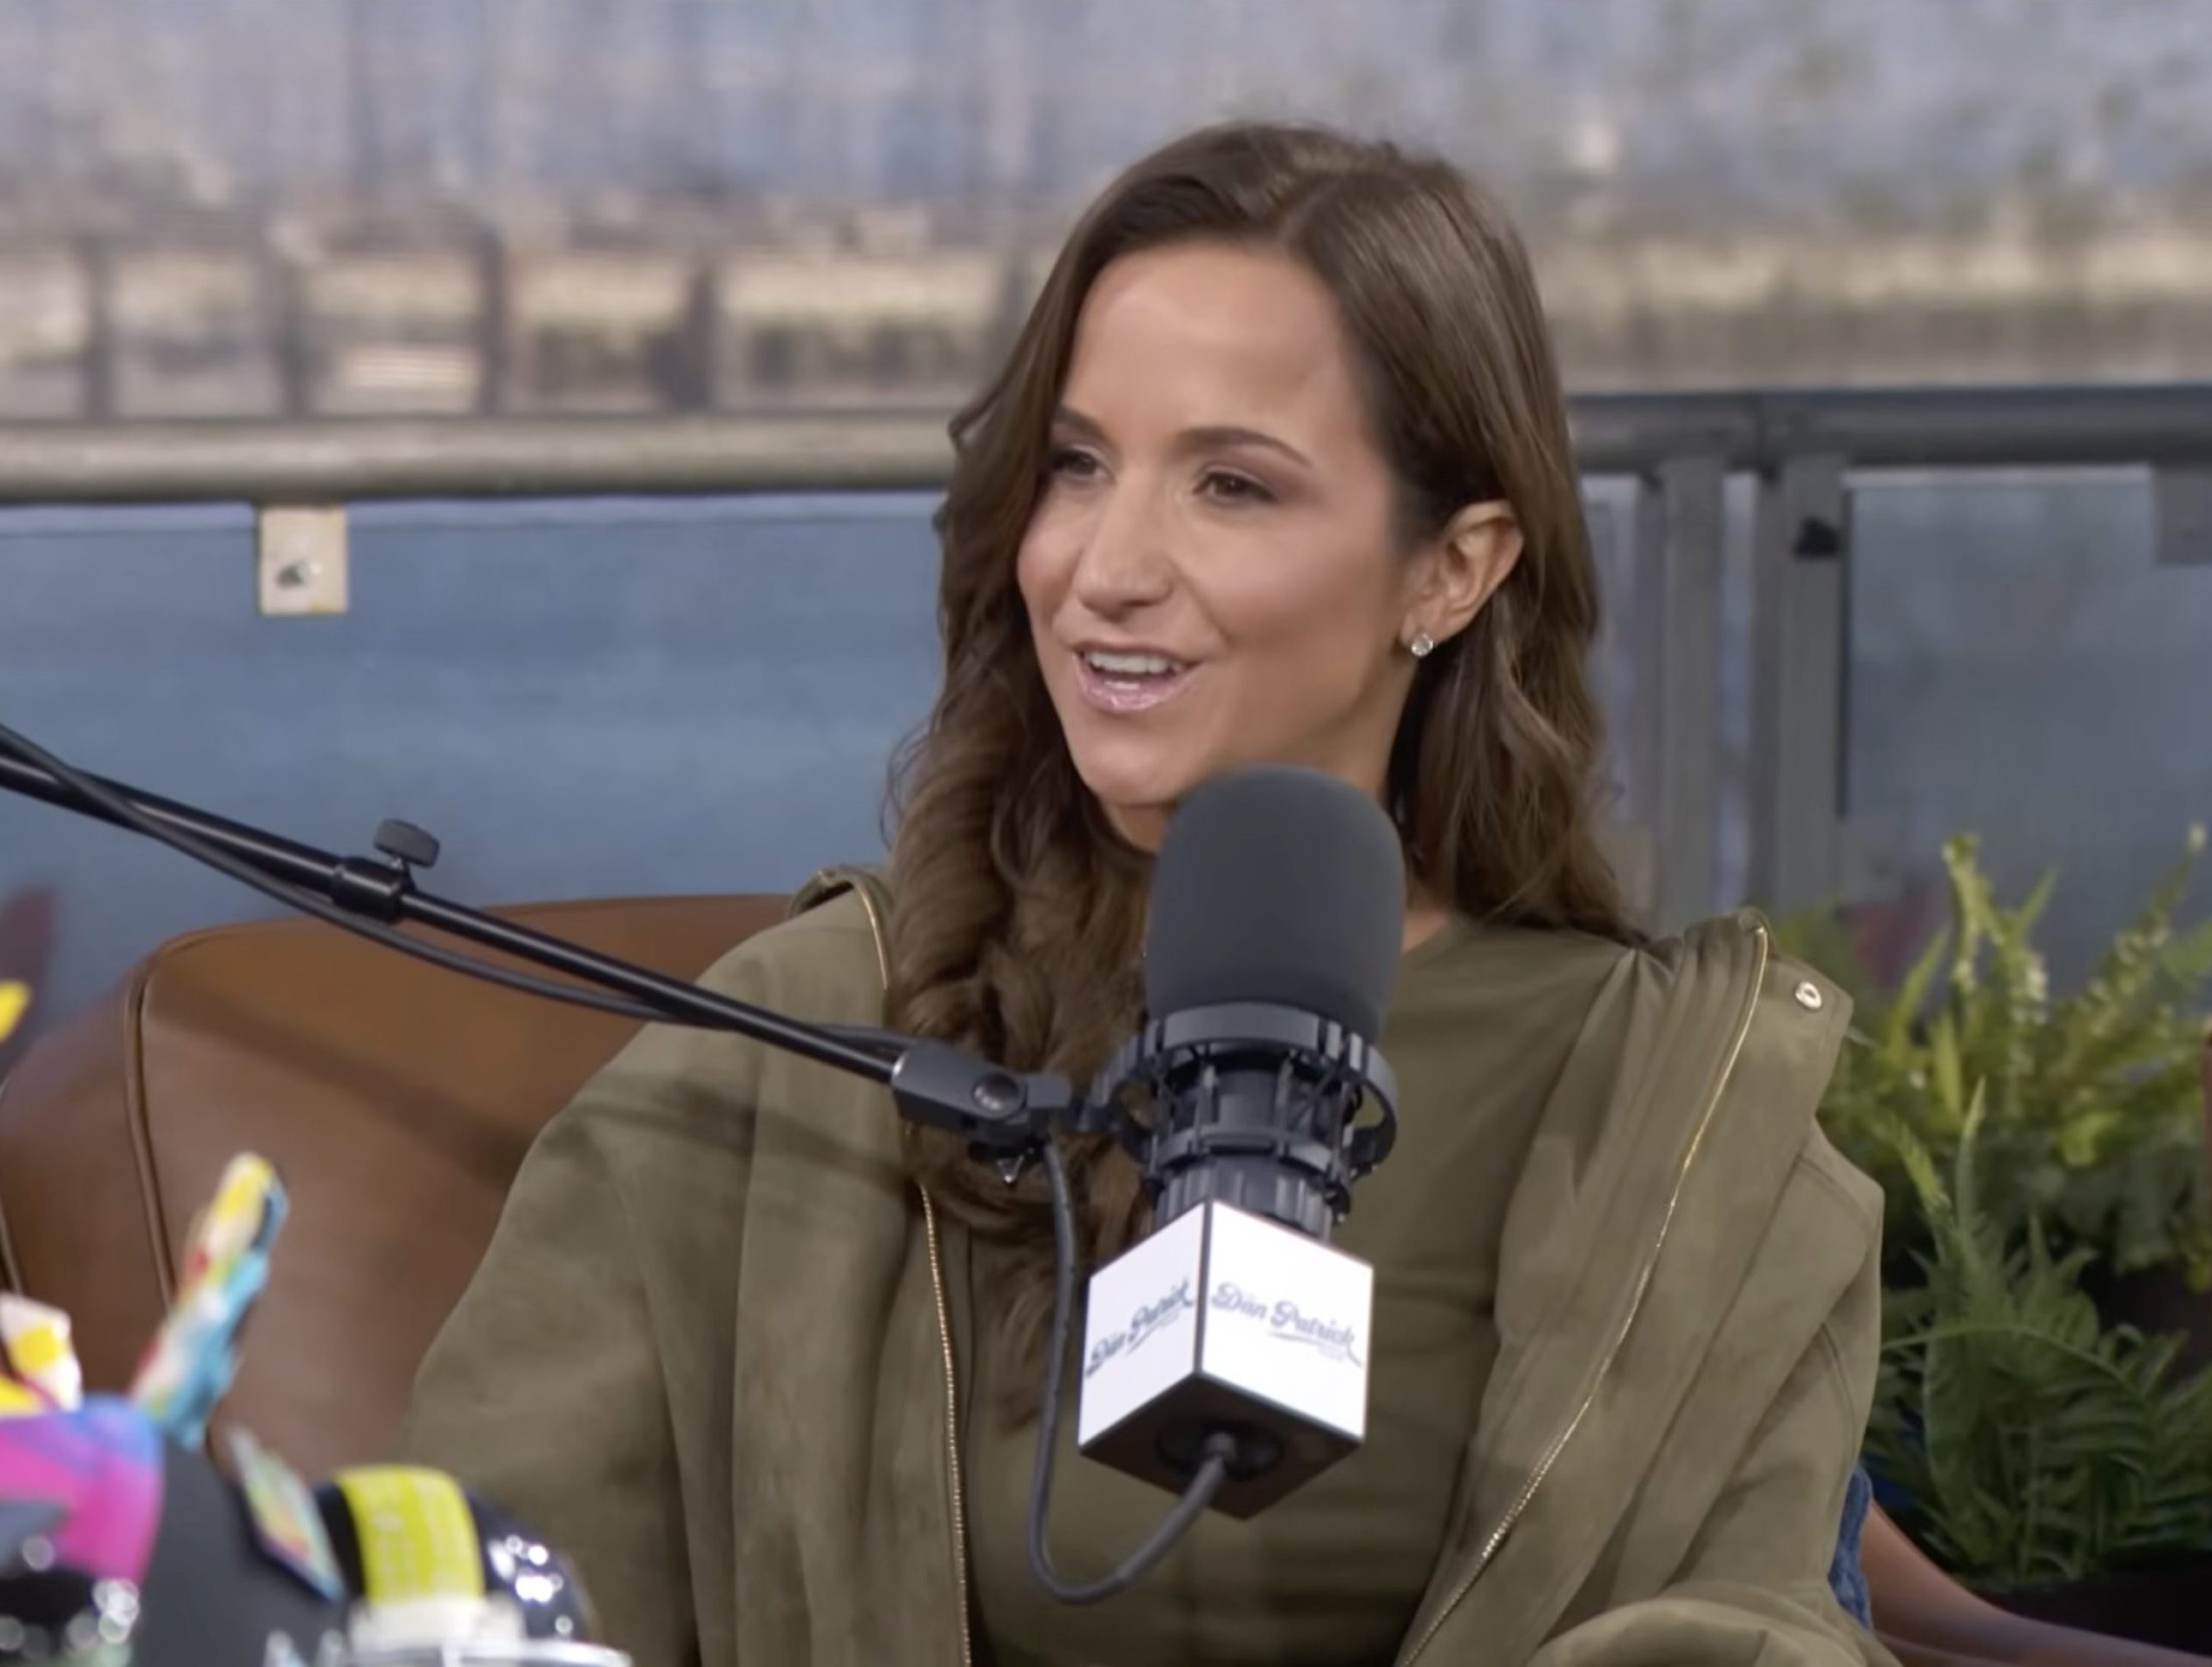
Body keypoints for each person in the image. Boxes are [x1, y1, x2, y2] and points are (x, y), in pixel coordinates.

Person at [398, 122, 2158, 1666]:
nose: (1107, 570)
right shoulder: (796, 1044)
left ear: (1453, 569)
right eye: (1076, 466)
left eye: (1231, 485)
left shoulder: (1674, 1115)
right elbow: (477, 1592)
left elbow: (1750, 1615)